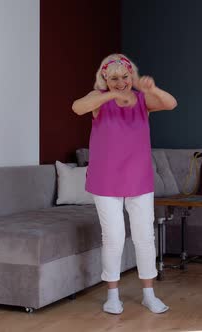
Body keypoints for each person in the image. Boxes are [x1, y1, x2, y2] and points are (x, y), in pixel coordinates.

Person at [71, 54, 177, 315]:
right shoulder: (98, 100)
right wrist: (111, 95)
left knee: (144, 237)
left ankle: (149, 294)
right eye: (114, 78)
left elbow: (171, 104)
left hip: (138, 179)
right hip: (105, 181)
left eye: (125, 77)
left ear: (133, 77)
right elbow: (77, 107)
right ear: (105, 79)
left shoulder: (142, 101)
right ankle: (112, 296)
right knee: (114, 238)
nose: (121, 82)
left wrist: (152, 89)